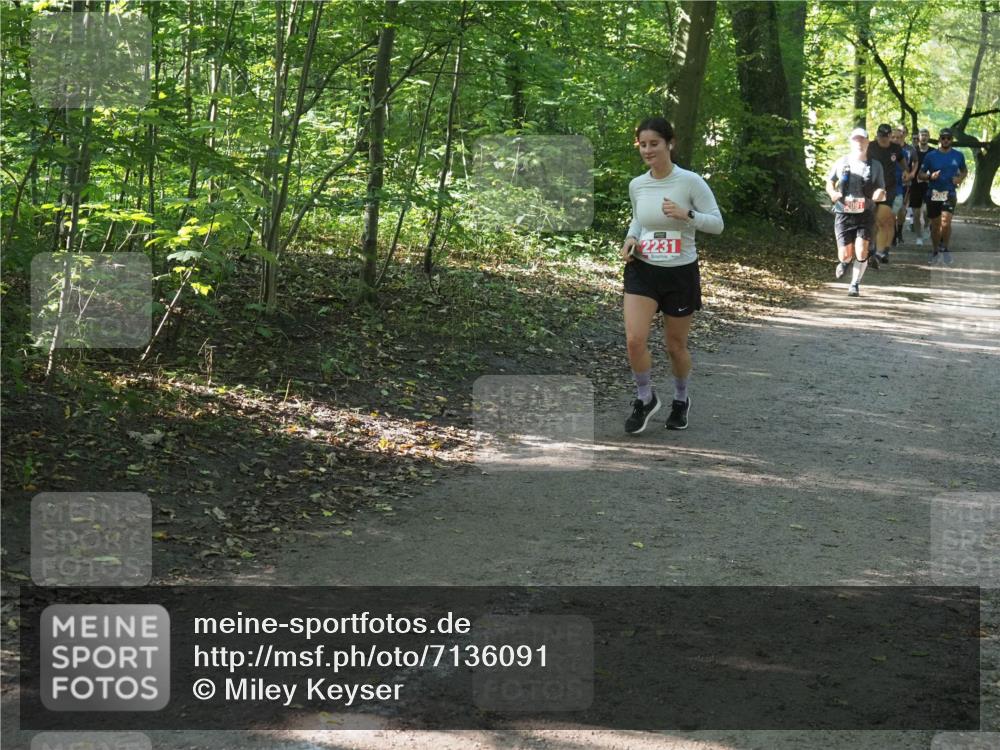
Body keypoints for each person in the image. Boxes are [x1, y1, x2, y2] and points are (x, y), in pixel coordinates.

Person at [621, 117, 724, 434]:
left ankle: (681, 400)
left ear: (670, 144)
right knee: (634, 341)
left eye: (654, 143)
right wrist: (630, 239)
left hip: (680, 273)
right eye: (643, 144)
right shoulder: (637, 185)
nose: (648, 150)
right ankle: (645, 398)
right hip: (643, 269)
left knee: (675, 346)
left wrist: (687, 215)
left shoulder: (690, 182)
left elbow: (717, 224)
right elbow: (639, 222)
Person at [825, 128, 887, 297]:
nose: (859, 143)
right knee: (845, 255)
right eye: (856, 140)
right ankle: (844, 262)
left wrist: (878, 194)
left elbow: (881, 187)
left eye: (862, 140)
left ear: (868, 142)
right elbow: (830, 182)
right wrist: (832, 193)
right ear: (851, 142)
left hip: (865, 212)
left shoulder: (875, 165)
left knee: (861, 251)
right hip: (843, 212)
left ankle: (854, 284)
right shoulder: (841, 162)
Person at [918, 127, 968, 265]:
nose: (946, 140)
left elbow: (964, 171)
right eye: (943, 138)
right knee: (935, 224)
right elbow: (920, 175)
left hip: (949, 193)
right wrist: (929, 176)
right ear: (939, 139)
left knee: (946, 222)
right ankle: (935, 251)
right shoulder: (931, 156)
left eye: (948, 138)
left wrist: (959, 179)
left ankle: (945, 249)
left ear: (951, 140)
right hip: (933, 192)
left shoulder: (958, 155)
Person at [866, 123, 905, 265]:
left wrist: (906, 172)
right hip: (870, 189)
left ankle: (878, 253)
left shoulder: (895, 148)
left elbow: (902, 163)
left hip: (888, 188)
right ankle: (872, 248)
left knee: (882, 220)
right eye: (879, 135)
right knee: (872, 221)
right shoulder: (870, 146)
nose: (882, 139)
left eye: (884, 136)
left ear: (889, 136)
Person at [891, 126, 916, 247]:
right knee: (889, 213)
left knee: (901, 210)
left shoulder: (907, 151)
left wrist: (908, 175)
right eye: (893, 137)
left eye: (898, 137)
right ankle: (892, 234)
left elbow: (909, 166)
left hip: (901, 186)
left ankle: (898, 231)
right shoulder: (881, 151)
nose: (896, 139)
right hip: (886, 187)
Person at [909, 128, 932, 245]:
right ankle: (918, 236)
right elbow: (907, 167)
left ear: (929, 137)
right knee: (917, 213)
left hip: (929, 185)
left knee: (927, 211)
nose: (923, 137)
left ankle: (927, 226)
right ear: (918, 137)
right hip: (915, 185)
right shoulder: (912, 151)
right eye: (922, 135)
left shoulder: (933, 152)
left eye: (926, 135)